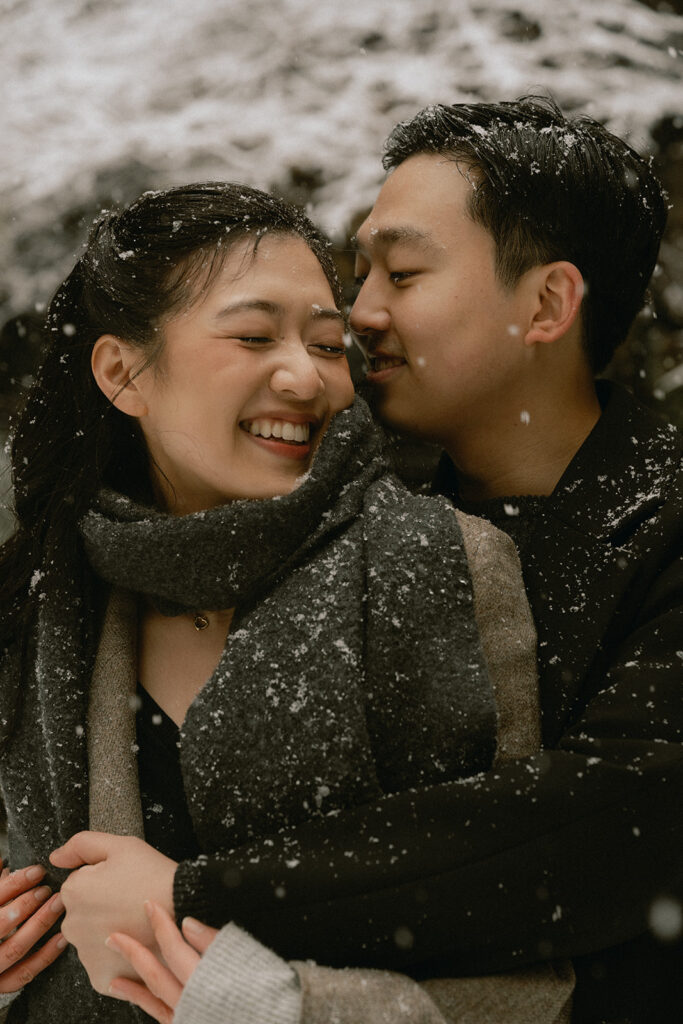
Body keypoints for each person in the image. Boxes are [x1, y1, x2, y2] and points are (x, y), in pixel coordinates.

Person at [108, 98, 681, 1024]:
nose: (362, 312)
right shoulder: (329, 513)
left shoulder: (664, 527)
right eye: (361, 271)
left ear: (545, 304)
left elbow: (614, 828)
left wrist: (192, 898)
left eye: (403, 274)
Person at [0, 182, 559, 1022]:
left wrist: (273, 1007)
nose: (306, 377)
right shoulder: (40, 599)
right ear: (123, 374)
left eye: (328, 345)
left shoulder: (444, 564)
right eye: (254, 336)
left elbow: (529, 954)